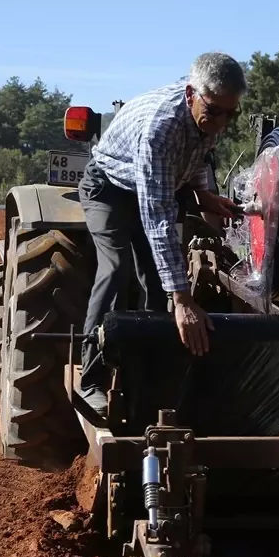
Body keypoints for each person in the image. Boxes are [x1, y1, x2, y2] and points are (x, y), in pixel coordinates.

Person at [76, 52, 246, 415]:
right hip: (109, 188)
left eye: (231, 114)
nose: (221, 123)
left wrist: (205, 196)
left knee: (156, 283)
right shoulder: (162, 127)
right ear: (191, 94)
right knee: (118, 267)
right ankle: (89, 377)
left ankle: (146, 374)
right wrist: (183, 302)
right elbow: (158, 217)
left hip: (157, 186)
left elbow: (197, 158)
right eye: (214, 112)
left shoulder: (206, 119)